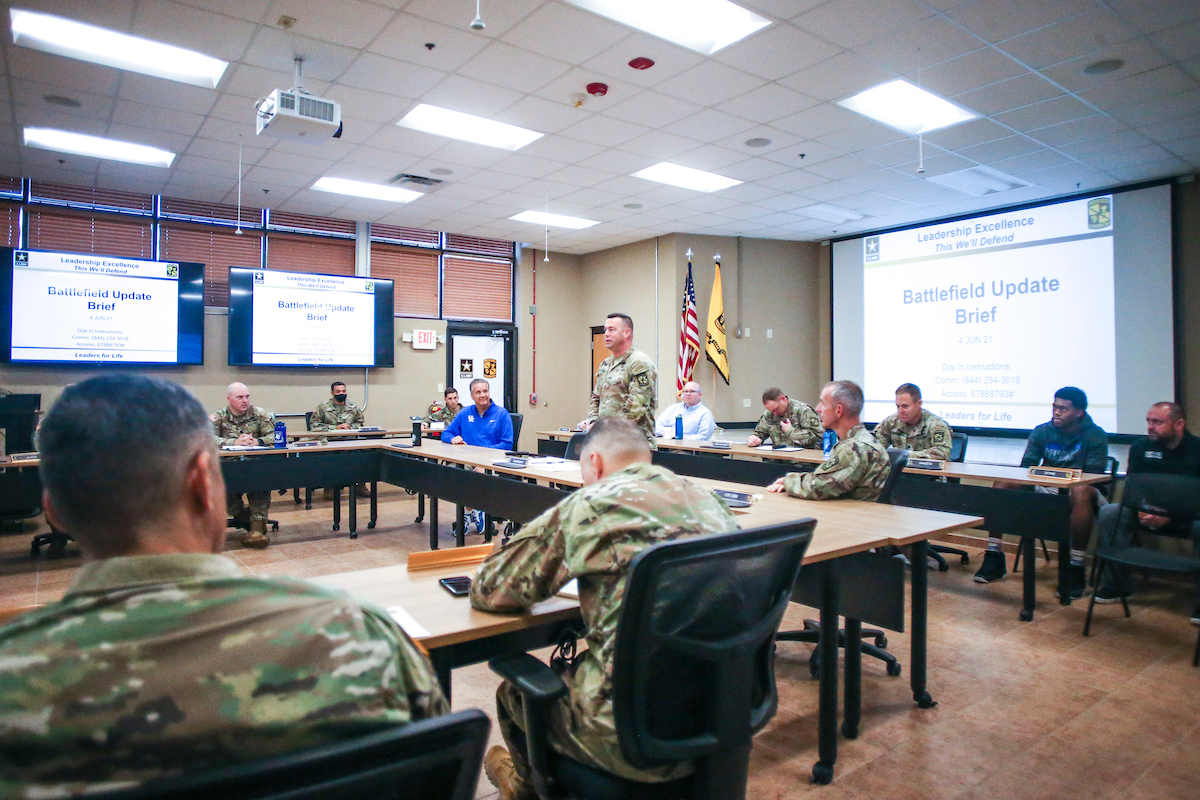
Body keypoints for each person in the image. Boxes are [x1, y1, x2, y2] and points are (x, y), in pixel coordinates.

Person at [0, 375, 447, 796]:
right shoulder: (357, 634)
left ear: (53, 511)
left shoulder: (11, 673)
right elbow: (437, 773)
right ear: (204, 486)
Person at [471, 417, 738, 799]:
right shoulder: (708, 501)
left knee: (515, 695)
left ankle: (523, 788)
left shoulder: (593, 503)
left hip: (628, 732)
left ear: (594, 464)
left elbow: (491, 588)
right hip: (717, 707)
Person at [973, 386, 1109, 597]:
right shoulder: (1042, 431)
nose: (1057, 412)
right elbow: (1027, 467)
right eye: (1055, 407)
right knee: (1002, 484)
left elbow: (1094, 473)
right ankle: (994, 555)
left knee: (1082, 490)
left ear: (1079, 412)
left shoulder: (1095, 434)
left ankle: (1075, 566)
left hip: (1082, 491)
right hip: (1047, 486)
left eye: (1063, 409)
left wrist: (1064, 479)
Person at [1093, 402, 1200, 621]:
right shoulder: (1141, 447)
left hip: (1188, 517)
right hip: (1147, 511)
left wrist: (1169, 515)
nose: (1150, 427)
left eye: (1157, 422)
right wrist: (1141, 508)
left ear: (1179, 424)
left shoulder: (1197, 450)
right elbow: (1134, 486)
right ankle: (1117, 584)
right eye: (1148, 421)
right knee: (1111, 513)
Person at [768, 380, 890, 501]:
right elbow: (825, 477)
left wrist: (788, 481)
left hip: (852, 517)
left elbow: (819, 487)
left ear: (838, 410)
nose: (818, 409)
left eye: (823, 403)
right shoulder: (859, 439)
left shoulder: (854, 448)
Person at [212, 382, 275, 548]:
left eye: (247, 396)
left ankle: (257, 529)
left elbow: (276, 435)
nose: (245, 400)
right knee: (227, 498)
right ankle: (245, 517)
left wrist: (258, 441)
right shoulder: (218, 417)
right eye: (240, 397)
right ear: (229, 399)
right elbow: (206, 437)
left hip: (255, 465)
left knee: (259, 486)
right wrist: (234, 442)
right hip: (227, 468)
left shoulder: (260, 414)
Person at [579, 313, 658, 448]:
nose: (606, 334)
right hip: (605, 442)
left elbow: (636, 407)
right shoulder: (606, 364)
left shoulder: (639, 363)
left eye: (612, 330)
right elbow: (596, 398)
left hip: (633, 444)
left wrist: (607, 430)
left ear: (627, 333)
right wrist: (593, 422)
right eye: (605, 330)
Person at [872, 383, 953, 460]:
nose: (900, 411)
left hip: (927, 473)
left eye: (905, 406)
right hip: (899, 472)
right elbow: (874, 448)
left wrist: (906, 455)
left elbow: (943, 454)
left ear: (919, 403)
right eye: (898, 406)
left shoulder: (936, 425)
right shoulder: (892, 422)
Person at [444, 378, 514, 450]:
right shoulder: (464, 413)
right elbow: (446, 434)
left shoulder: (502, 414)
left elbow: (507, 445)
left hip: (491, 458)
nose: (483, 395)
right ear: (472, 395)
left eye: (485, 391)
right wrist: (452, 439)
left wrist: (482, 451)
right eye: (478, 392)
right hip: (467, 458)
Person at [747, 387, 821, 449]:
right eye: (772, 411)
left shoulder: (803, 411)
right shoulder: (770, 414)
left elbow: (818, 436)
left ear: (783, 399)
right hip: (779, 459)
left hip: (803, 461)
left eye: (776, 409)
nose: (775, 413)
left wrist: (791, 431)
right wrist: (755, 438)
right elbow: (760, 433)